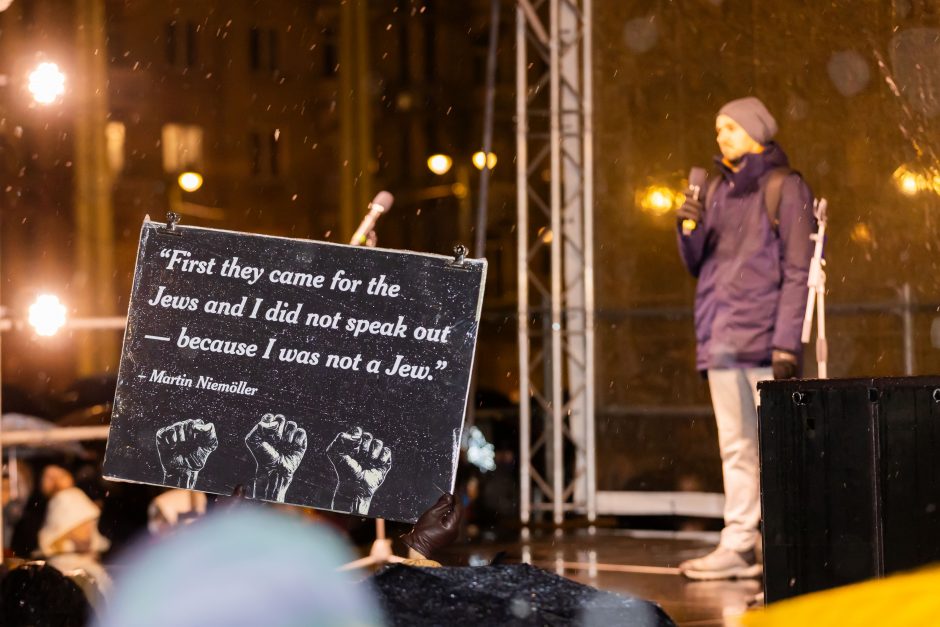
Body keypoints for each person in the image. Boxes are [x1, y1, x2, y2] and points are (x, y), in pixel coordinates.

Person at [675, 96, 815, 580]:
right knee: (735, 447)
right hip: (721, 338)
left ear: (757, 131)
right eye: (717, 128)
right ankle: (738, 547)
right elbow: (697, 264)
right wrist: (686, 224)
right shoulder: (715, 189)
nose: (720, 135)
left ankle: (782, 548)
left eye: (730, 127)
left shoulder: (785, 187)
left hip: (764, 341)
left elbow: (798, 271)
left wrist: (786, 343)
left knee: (776, 449)